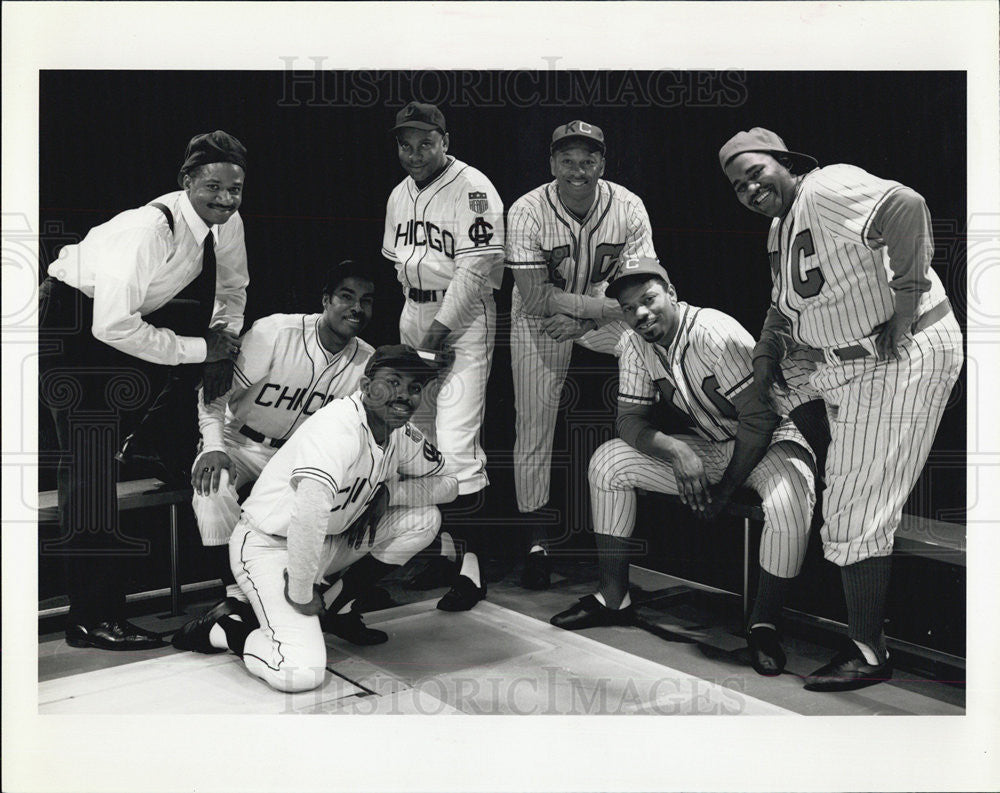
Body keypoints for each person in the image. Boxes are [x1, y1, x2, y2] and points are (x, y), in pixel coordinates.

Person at [719, 127, 963, 691]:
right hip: (845, 360)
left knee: (853, 514)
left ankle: (869, 654)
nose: (750, 190)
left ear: (784, 163)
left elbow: (906, 206)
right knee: (757, 396)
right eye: (737, 187)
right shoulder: (781, 229)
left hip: (901, 353)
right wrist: (763, 363)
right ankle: (777, 477)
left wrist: (904, 305)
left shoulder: (824, 186)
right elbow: (781, 314)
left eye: (755, 174)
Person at [549, 257, 817, 678]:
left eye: (649, 298)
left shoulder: (711, 330)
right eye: (629, 307)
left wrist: (725, 490)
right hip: (713, 445)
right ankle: (613, 598)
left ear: (672, 293)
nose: (640, 312)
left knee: (788, 504)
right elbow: (628, 422)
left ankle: (763, 626)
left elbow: (761, 418)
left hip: (771, 442)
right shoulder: (638, 342)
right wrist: (677, 451)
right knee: (608, 463)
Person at [38, 130, 248, 650]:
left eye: (235, 188)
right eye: (214, 188)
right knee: (89, 471)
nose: (225, 198)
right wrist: (203, 349)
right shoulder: (149, 229)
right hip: (72, 321)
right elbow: (110, 326)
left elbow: (232, 289)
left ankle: (155, 449)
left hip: (123, 323)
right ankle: (91, 618)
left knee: (170, 387)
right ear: (186, 182)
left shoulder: (228, 222)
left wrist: (224, 341)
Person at [170, 345, 458, 693]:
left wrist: (392, 494)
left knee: (424, 518)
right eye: (393, 382)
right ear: (366, 386)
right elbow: (309, 514)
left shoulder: (400, 431)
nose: (404, 397)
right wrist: (302, 592)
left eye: (414, 388)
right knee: (300, 673)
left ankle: (336, 606)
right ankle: (223, 629)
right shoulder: (337, 428)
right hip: (270, 546)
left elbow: (449, 483)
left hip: (330, 542)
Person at [505, 120, 657, 590]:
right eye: (567, 160)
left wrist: (588, 320)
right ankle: (536, 543)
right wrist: (600, 311)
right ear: (552, 164)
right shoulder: (528, 209)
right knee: (533, 425)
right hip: (540, 319)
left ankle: (679, 456)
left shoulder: (628, 206)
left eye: (588, 160)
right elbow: (532, 298)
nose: (578, 170)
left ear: (602, 163)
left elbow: (649, 289)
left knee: (654, 340)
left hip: (597, 313)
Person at [183, 260, 376, 625]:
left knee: (347, 498)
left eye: (366, 301)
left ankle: (328, 596)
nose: (356, 308)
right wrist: (212, 445)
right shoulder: (277, 332)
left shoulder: (366, 361)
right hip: (239, 440)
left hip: (297, 456)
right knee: (212, 490)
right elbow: (215, 392)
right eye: (346, 297)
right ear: (325, 300)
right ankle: (237, 595)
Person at [382, 101, 505, 611]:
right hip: (416, 313)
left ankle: (473, 569)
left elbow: (477, 271)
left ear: (445, 140)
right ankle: (443, 551)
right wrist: (417, 328)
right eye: (405, 144)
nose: (415, 153)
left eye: (425, 142)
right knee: (420, 443)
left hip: (462, 322)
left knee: (455, 446)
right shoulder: (398, 193)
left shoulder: (473, 188)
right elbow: (401, 264)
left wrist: (435, 336)